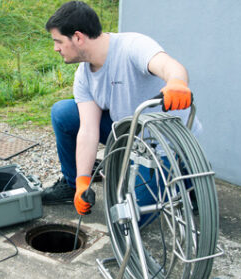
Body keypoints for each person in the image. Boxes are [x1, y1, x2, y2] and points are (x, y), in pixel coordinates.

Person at [41, 0, 200, 216]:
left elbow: (169, 66)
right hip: (129, 133)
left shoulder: (132, 46)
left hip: (163, 142)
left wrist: (176, 83)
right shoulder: (83, 75)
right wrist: (83, 181)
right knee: (63, 113)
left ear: (78, 37)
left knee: (131, 218)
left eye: (58, 41)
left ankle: (186, 173)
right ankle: (71, 188)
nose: (55, 48)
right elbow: (88, 130)